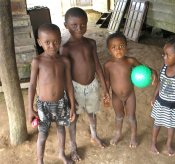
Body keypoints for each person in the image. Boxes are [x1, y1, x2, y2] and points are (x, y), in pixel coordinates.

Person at [60, 7, 110, 161]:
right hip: (75, 88)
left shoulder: (91, 43)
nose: (79, 28)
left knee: (91, 112)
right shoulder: (65, 48)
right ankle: (73, 146)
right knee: (73, 118)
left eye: (83, 24)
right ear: (66, 25)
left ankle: (94, 135)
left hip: (92, 85)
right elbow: (65, 74)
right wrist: (69, 96)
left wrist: (105, 87)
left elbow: (97, 65)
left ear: (87, 24)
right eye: (74, 25)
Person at [28, 23, 75, 164]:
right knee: (42, 134)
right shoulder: (38, 61)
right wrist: (30, 108)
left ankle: (61, 154)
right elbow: (31, 85)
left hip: (61, 102)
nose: (52, 46)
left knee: (61, 129)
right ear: (39, 42)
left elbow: (68, 84)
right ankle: (40, 160)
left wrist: (72, 105)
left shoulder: (64, 61)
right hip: (43, 106)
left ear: (60, 40)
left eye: (55, 42)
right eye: (47, 42)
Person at [103, 32, 157, 148]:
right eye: (114, 47)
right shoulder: (108, 65)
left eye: (121, 46)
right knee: (118, 116)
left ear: (126, 47)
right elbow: (107, 81)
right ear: (109, 50)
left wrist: (153, 71)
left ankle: (133, 136)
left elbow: (144, 69)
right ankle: (118, 134)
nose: (118, 50)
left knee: (131, 117)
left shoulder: (131, 61)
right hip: (116, 96)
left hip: (130, 95)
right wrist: (106, 93)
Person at [150, 37, 175, 156]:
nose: (164, 57)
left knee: (171, 126)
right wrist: (154, 96)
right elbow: (160, 83)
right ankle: (153, 142)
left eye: (168, 55)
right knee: (157, 123)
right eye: (164, 54)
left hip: (174, 106)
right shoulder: (163, 68)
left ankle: (168, 144)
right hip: (160, 103)